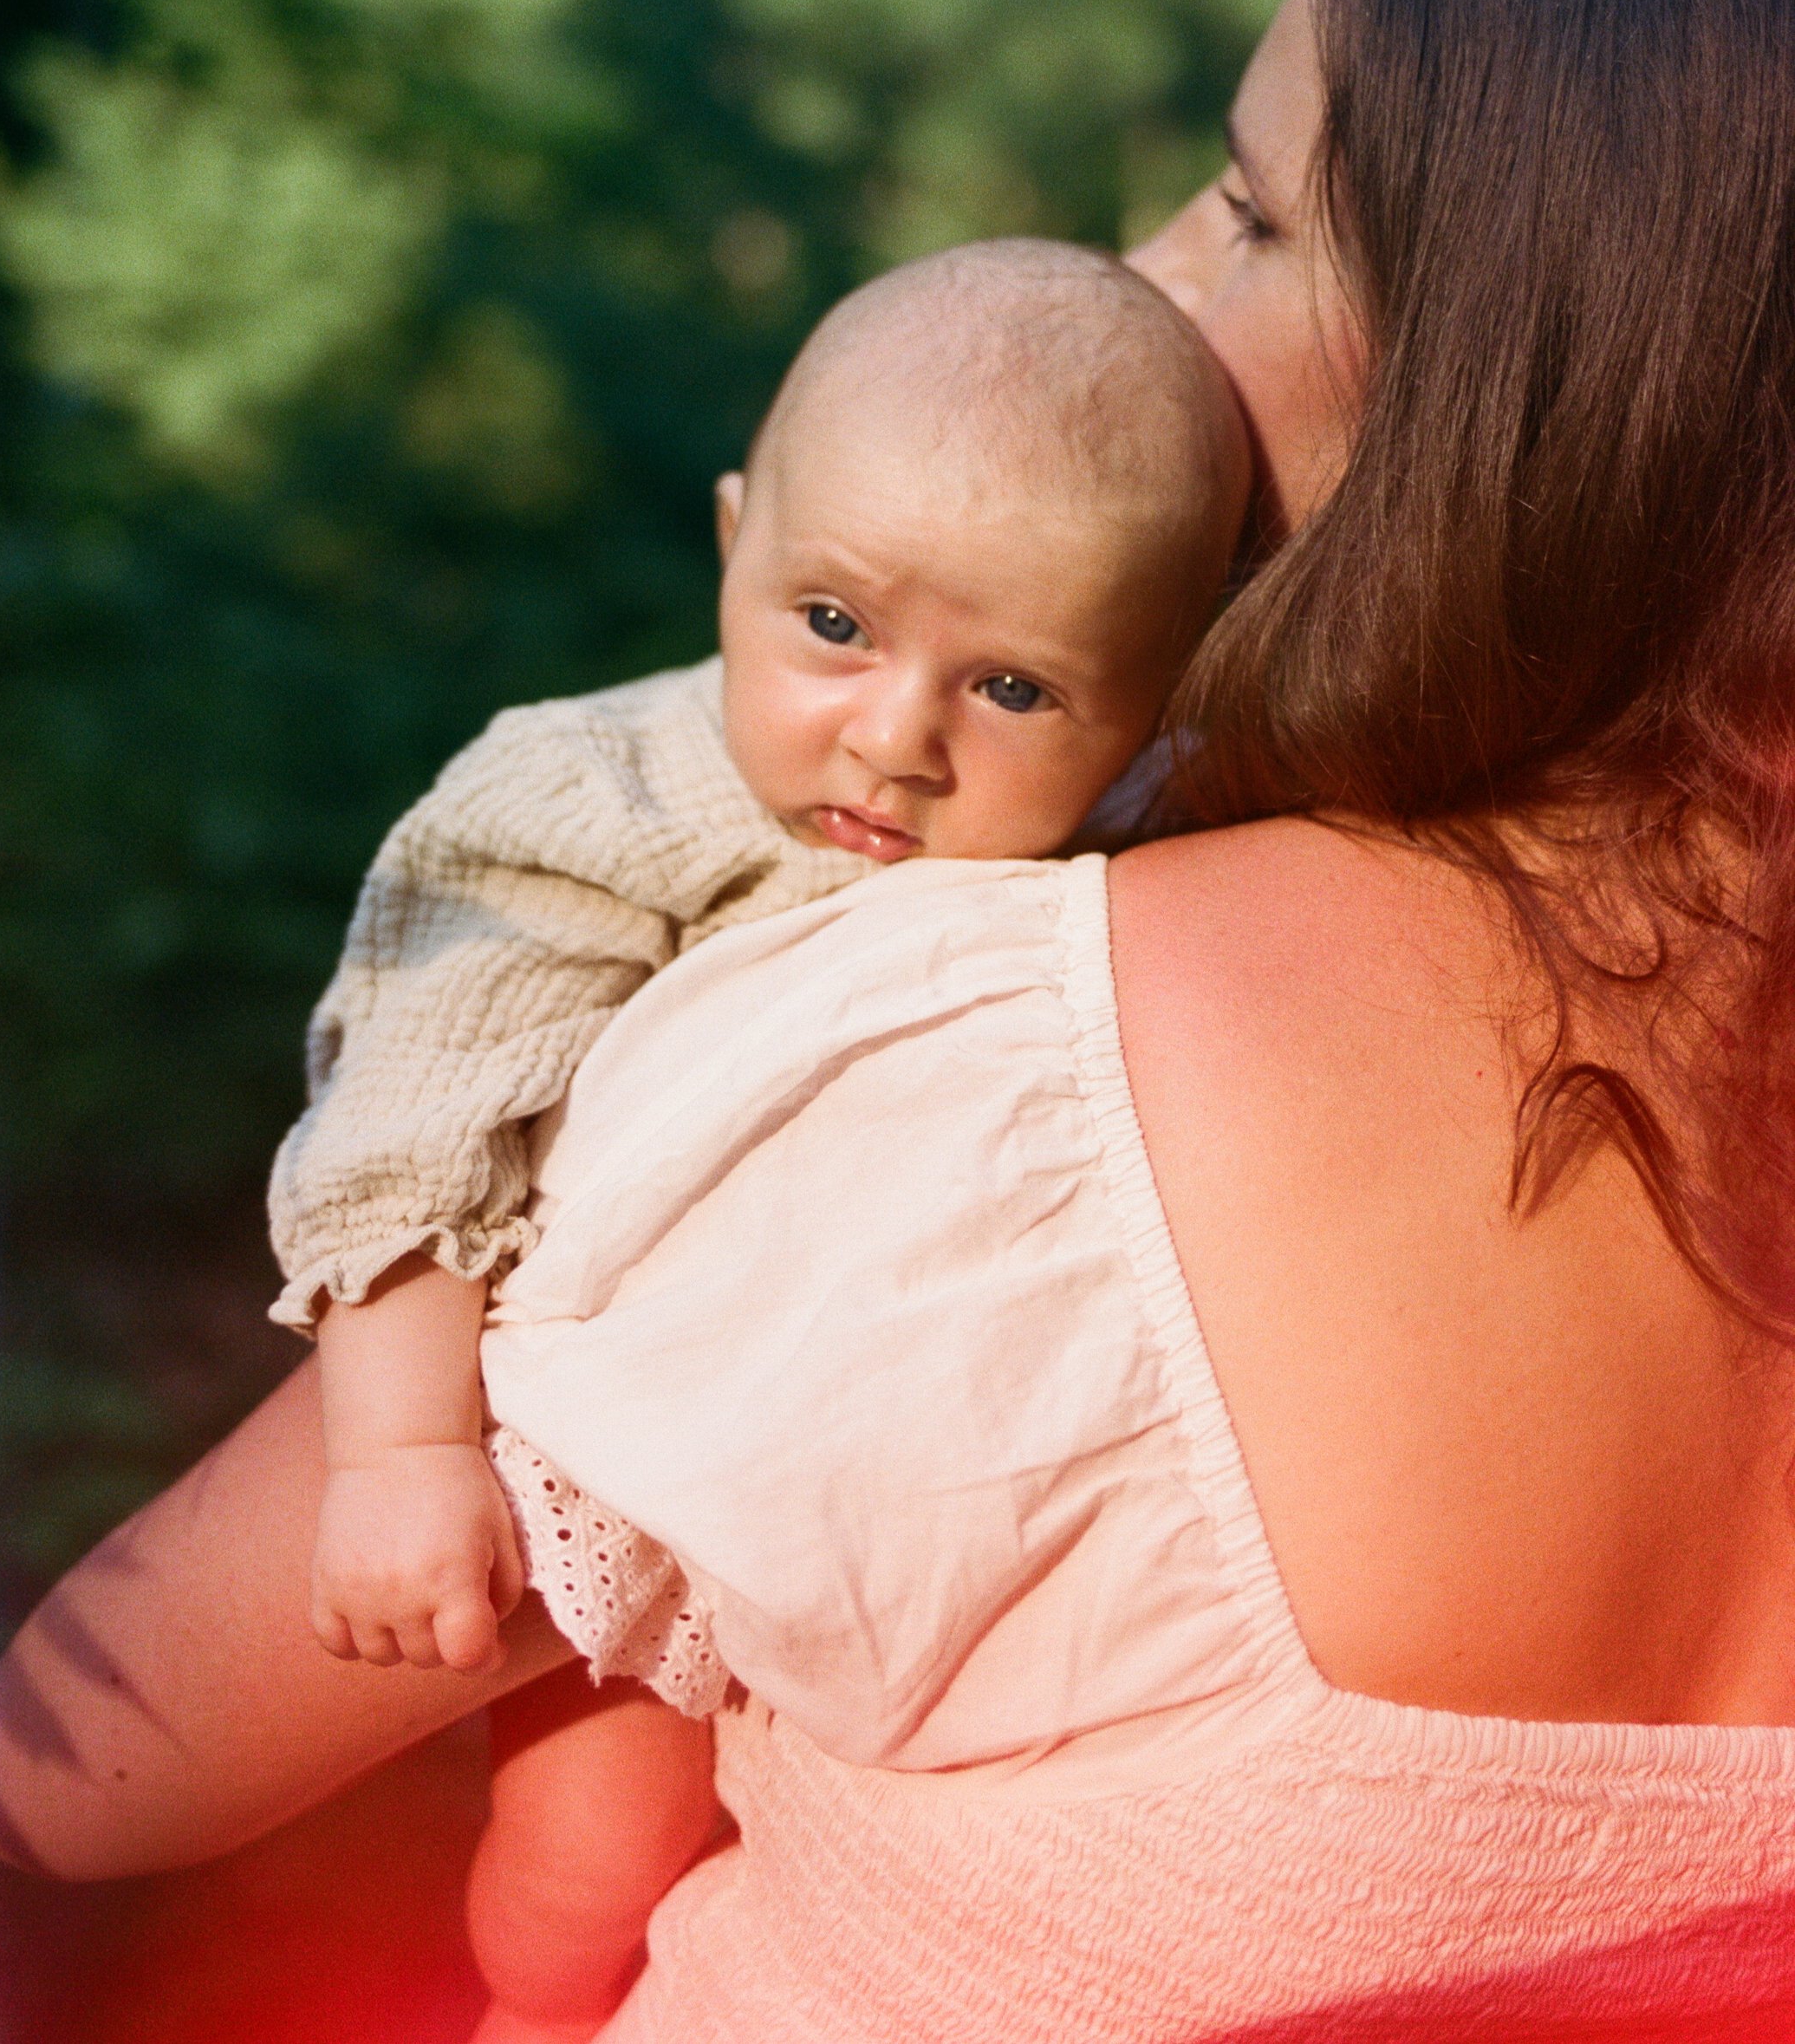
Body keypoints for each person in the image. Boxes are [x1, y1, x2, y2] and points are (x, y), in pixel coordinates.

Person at [5, 0, 1795, 2043]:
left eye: (1250, 212)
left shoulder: (981, 1076)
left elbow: (109, 1754)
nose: (1147, 272)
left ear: (1526, 382)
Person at [283, 236, 1246, 2041]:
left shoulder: (1160, 834)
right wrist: (397, 1448)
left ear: (1157, 698)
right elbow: (412, 1114)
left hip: (942, 1501)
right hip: (650, 1480)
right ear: (736, 540)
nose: (895, 739)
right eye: (834, 625)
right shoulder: (599, 804)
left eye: (1014, 689)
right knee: (587, 1872)